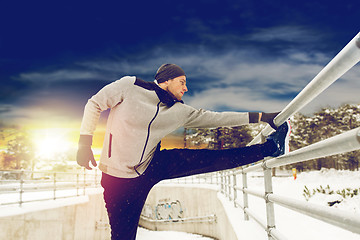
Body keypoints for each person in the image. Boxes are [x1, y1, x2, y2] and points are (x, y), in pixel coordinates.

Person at [76, 63, 290, 240]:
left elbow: (216, 118)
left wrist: (262, 116)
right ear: (166, 80)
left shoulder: (179, 111)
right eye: (182, 82)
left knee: (213, 159)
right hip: (116, 180)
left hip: (151, 165)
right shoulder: (130, 86)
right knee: (123, 237)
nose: (185, 88)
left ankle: (271, 147)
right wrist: (84, 144)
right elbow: (94, 103)